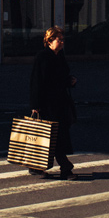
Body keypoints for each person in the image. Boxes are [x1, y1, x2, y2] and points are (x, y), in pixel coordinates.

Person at [29, 25, 79, 179]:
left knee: (54, 136)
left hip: (60, 102)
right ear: (50, 41)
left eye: (63, 40)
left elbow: (62, 76)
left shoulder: (60, 55)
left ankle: (37, 166)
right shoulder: (42, 57)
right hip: (47, 104)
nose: (62, 42)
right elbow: (37, 82)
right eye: (59, 39)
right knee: (53, 135)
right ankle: (65, 167)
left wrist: (70, 81)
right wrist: (35, 106)